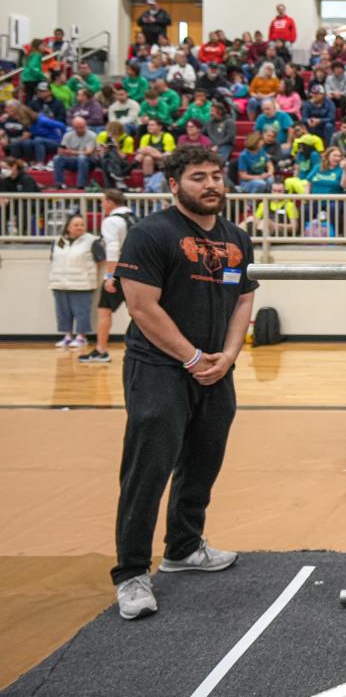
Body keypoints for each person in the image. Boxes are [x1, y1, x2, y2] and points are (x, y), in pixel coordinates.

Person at [111, 146, 257, 620]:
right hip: (159, 368)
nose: (212, 184)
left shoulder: (236, 238)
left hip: (216, 370)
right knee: (147, 471)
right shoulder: (151, 234)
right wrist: (192, 358)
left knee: (202, 462)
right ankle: (132, 572)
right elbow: (141, 307)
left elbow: (241, 301)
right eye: (199, 177)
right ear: (173, 185)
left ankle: (184, 548)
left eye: (217, 175)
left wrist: (229, 356)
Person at [80, 190, 138, 363]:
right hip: (138, 271)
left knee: (104, 311)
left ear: (111, 202)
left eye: (102, 201)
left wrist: (111, 276)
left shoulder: (112, 221)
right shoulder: (135, 218)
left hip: (120, 271)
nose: (101, 205)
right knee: (139, 313)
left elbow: (112, 249)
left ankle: (101, 350)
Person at [49, 213, 99, 349]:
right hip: (59, 283)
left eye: (82, 225)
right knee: (63, 312)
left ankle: (82, 337)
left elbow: (101, 260)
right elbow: (52, 259)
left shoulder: (92, 241)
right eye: (76, 225)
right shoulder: (57, 241)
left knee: (82, 312)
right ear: (68, 227)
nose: (80, 227)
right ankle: (67, 336)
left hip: (82, 284)